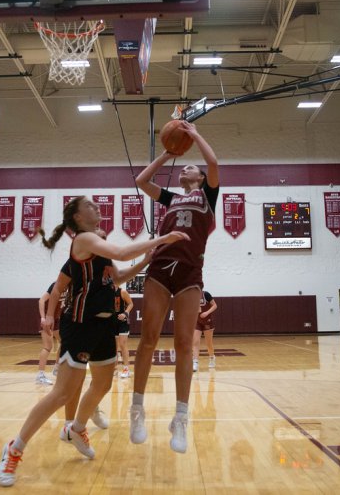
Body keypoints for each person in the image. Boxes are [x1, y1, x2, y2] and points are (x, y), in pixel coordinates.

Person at [0, 196, 188, 487]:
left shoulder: (100, 249)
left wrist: (148, 259)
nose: (96, 207)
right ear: (77, 217)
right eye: (89, 205)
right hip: (81, 324)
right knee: (61, 393)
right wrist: (163, 238)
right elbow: (122, 253)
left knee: (103, 384)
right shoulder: (83, 240)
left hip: (104, 324)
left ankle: (77, 428)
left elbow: (119, 275)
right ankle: (14, 448)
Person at [130, 119, 220, 454]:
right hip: (160, 268)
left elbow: (213, 163)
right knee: (148, 340)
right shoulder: (170, 198)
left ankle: (181, 418)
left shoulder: (208, 195)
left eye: (191, 167)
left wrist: (195, 135)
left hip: (190, 272)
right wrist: (167, 154)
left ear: (198, 179)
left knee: (184, 343)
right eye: (185, 167)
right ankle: (136, 410)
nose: (188, 168)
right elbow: (141, 181)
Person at [36, 270, 70, 385]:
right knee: (47, 347)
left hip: (56, 320)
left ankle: (56, 368)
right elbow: (41, 300)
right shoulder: (55, 286)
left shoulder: (69, 287)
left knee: (65, 343)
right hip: (47, 320)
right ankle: (40, 376)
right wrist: (43, 318)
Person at [192, 290, 217, 371]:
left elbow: (215, 305)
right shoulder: (190, 296)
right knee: (195, 342)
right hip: (197, 321)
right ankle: (195, 362)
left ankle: (212, 358)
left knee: (208, 343)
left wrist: (207, 312)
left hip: (207, 321)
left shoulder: (205, 294)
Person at [114, 286, 134, 379]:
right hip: (112, 322)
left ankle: (126, 369)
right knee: (113, 346)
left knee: (122, 345)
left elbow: (130, 304)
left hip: (122, 322)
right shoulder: (106, 292)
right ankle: (114, 368)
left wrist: (125, 313)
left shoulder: (122, 292)